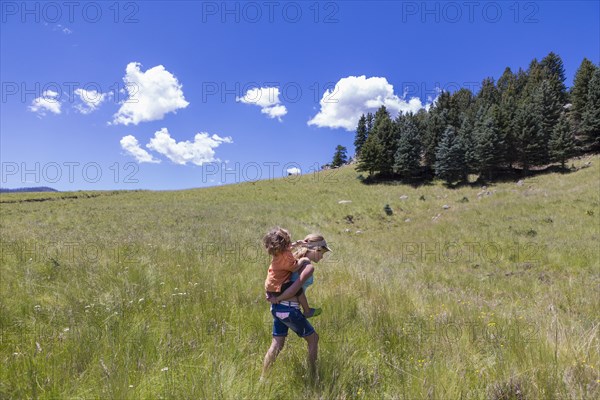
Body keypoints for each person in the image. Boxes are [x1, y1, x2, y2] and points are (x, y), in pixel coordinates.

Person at [261, 228, 331, 380]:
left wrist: (275, 299)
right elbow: (295, 289)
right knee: (313, 339)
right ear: (316, 249)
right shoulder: (307, 266)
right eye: (322, 252)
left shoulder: (291, 259)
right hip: (289, 309)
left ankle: (263, 378)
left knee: (277, 344)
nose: (322, 256)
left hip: (276, 309)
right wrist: (279, 298)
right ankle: (313, 376)